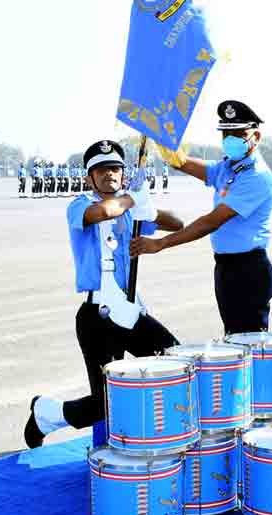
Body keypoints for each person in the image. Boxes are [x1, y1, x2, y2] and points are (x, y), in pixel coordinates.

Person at [23, 139, 184, 448]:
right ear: (89, 177)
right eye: (101, 170)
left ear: (123, 174)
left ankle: (50, 413)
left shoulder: (130, 205)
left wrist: (146, 204)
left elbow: (176, 223)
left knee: (175, 365)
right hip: (98, 318)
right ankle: (47, 413)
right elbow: (103, 213)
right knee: (108, 402)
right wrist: (131, 199)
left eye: (115, 169)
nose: (109, 174)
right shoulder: (81, 205)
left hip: (131, 311)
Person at [132, 100, 272, 334]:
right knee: (233, 337)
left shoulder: (257, 177)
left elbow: (211, 221)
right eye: (226, 134)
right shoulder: (228, 168)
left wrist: (161, 243)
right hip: (226, 268)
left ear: (256, 136)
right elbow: (183, 163)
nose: (230, 139)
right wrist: (158, 133)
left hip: (249, 271)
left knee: (250, 343)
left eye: (238, 133)